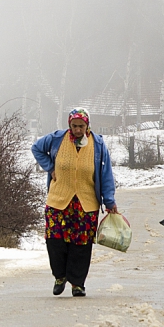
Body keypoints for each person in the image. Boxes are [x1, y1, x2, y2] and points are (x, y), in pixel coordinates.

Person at [31, 108, 118, 298]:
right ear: (69, 125)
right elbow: (36, 148)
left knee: (81, 244)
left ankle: (77, 283)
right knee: (55, 241)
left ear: (88, 125)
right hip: (58, 200)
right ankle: (60, 276)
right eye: (74, 126)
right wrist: (50, 167)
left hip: (86, 203)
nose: (77, 130)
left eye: (81, 126)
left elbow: (106, 175)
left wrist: (109, 201)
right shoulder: (56, 139)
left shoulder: (98, 145)